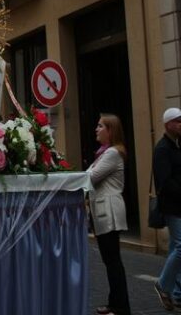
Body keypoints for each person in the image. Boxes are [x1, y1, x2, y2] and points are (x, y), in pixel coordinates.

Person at [87, 114, 131, 315]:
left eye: (100, 126)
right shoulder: (103, 153)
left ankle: (121, 307)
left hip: (109, 212)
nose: (96, 129)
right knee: (110, 261)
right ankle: (114, 303)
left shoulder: (112, 153)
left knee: (113, 262)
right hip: (103, 212)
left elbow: (91, 177)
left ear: (110, 131)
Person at [154, 107, 181, 310]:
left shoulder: (175, 146)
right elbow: (165, 181)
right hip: (173, 206)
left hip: (178, 204)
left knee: (175, 247)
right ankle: (163, 284)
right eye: (178, 121)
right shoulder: (163, 148)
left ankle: (176, 293)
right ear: (168, 124)